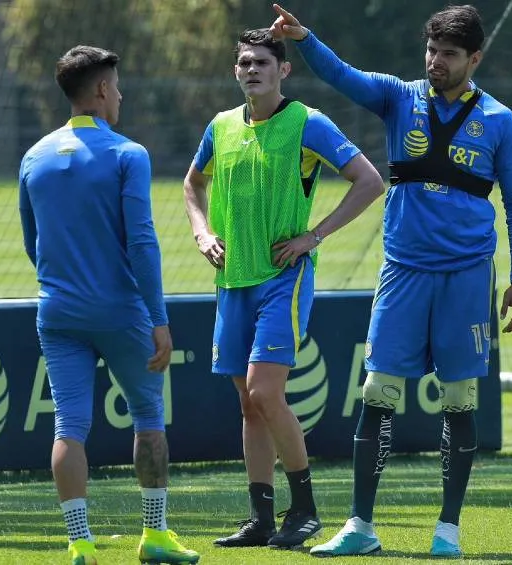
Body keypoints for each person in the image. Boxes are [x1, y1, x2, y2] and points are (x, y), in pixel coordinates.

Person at [269, 3, 512, 558]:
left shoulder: (501, 122)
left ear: (475, 58)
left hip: (465, 278)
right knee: (377, 392)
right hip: (403, 272)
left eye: (450, 54)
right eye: (431, 51)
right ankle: (361, 525)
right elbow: (343, 76)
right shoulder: (398, 96)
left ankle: (448, 531)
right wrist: (304, 39)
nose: (436, 62)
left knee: (459, 400)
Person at [182, 29, 386, 549]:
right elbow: (192, 183)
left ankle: (307, 510)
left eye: (263, 63)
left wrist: (313, 235)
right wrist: (202, 232)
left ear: (284, 71)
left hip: (283, 278)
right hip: (232, 281)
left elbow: (369, 181)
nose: (253, 70)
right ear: (235, 72)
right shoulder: (220, 127)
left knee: (264, 392)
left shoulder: (306, 123)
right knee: (248, 405)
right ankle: (261, 518)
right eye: (245, 63)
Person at [18, 45, 199, 565]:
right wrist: (159, 320)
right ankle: (156, 537)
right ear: (101, 90)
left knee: (68, 426)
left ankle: (80, 543)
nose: (119, 96)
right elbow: (142, 243)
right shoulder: (128, 153)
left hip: (56, 311)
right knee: (148, 416)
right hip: (120, 311)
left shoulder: (33, 156)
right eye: (116, 87)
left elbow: (34, 244)